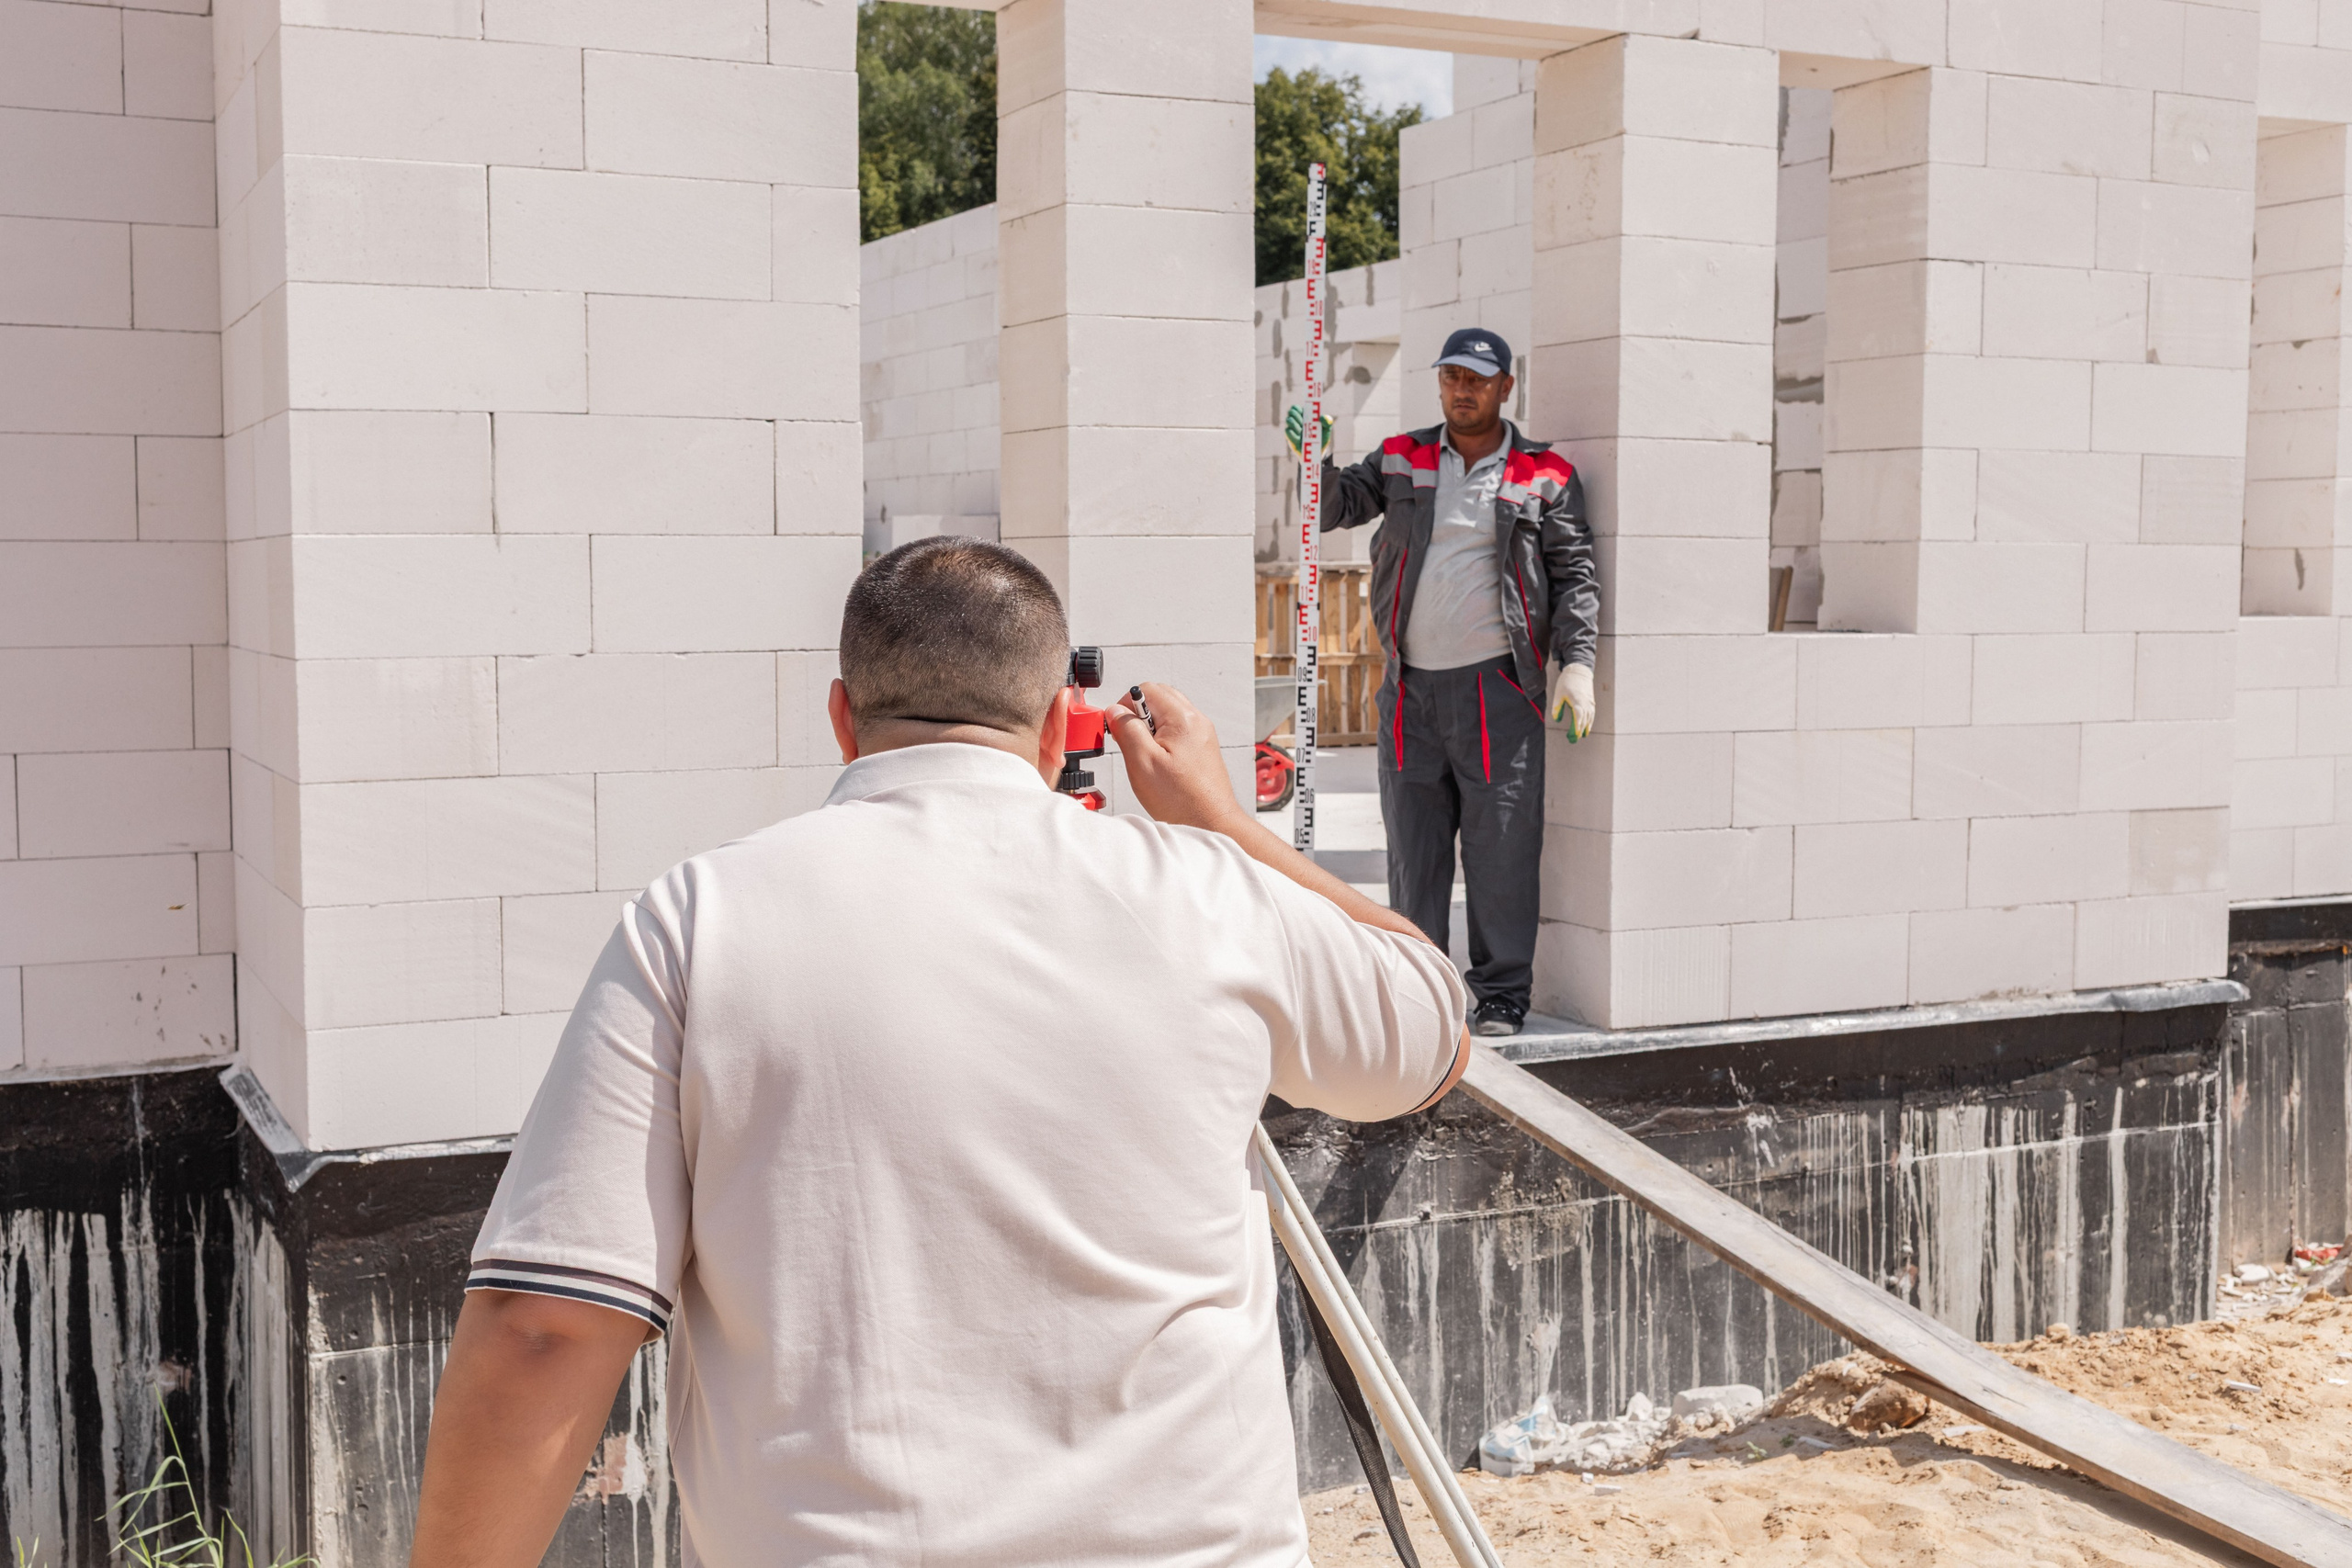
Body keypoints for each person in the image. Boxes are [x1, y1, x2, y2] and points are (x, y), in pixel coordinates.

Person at [408, 537, 1471, 1568]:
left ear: (841, 716)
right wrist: (1218, 820)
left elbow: (545, 1328)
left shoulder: (696, 919)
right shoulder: (1207, 893)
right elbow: (1431, 1025)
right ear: (1057, 726)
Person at [1288, 327, 1599, 1037]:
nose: (1463, 390)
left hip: (1498, 692)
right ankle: (1417, 992)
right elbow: (1332, 510)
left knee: (1501, 849)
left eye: (1478, 379)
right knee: (1414, 850)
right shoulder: (1404, 457)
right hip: (1411, 693)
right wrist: (1316, 461)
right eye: (1453, 376)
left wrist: (1577, 663)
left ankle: (1501, 994)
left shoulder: (1545, 473)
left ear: (1505, 388)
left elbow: (1575, 575)